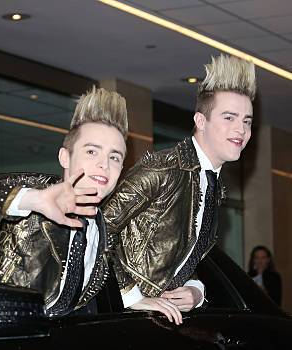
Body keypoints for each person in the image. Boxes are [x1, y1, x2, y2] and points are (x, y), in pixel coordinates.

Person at [0, 87, 128, 317]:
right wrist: (33, 200)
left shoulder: (100, 222)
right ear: (64, 157)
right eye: (92, 152)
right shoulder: (37, 189)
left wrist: (135, 300)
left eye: (114, 157)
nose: (104, 164)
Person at [103, 54, 256, 324]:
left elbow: (178, 257)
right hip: (119, 320)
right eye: (229, 117)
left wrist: (196, 291)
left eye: (247, 121)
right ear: (200, 120)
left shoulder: (211, 183)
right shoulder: (162, 170)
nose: (240, 129)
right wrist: (130, 296)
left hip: (159, 322)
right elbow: (99, 229)